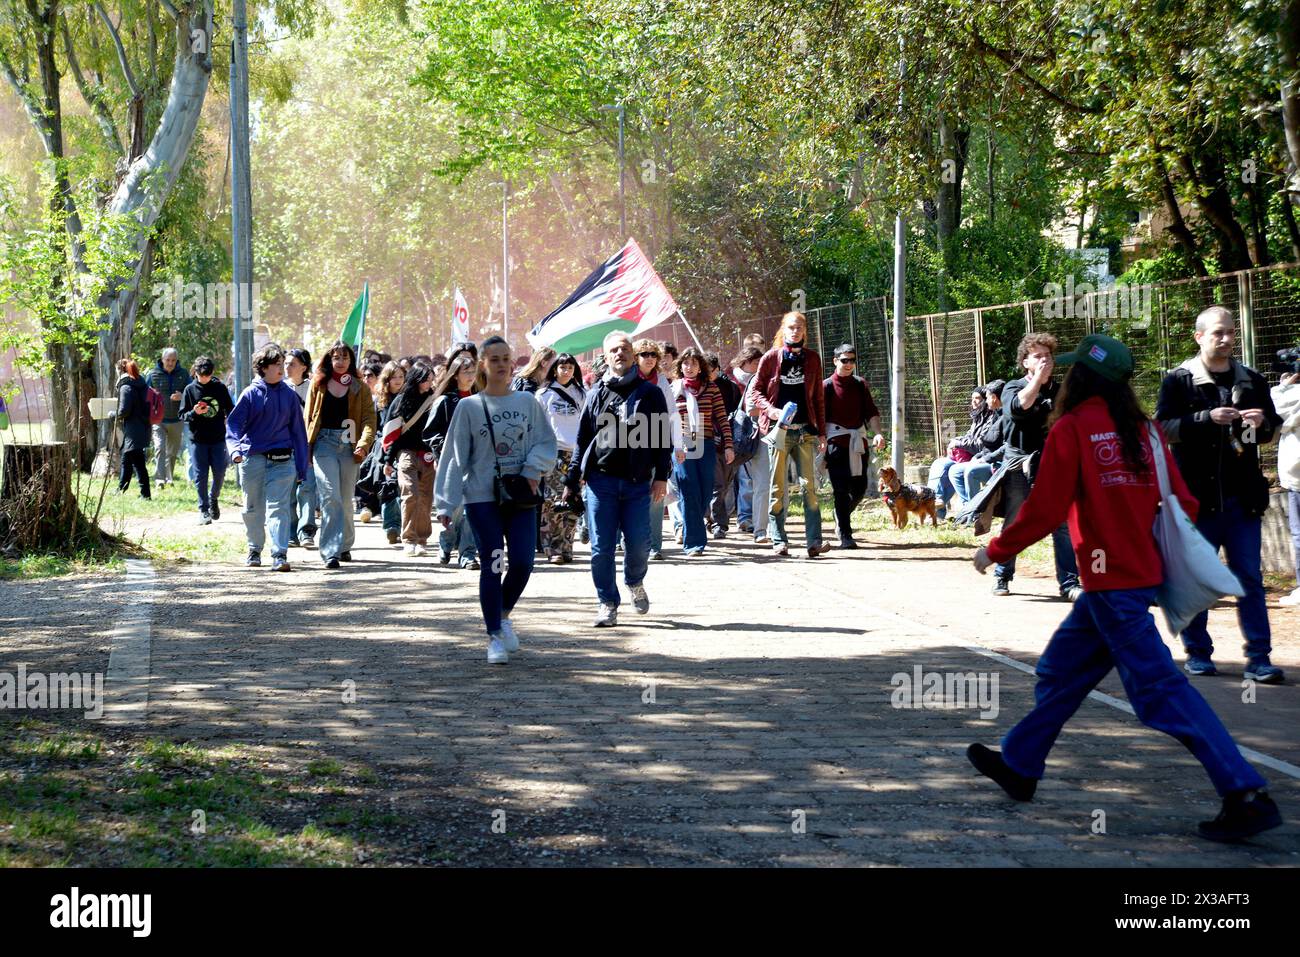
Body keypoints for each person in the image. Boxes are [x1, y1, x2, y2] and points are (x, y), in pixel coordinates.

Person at [968, 333, 1282, 843]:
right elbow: (1187, 504)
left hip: (1111, 587)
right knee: (1060, 673)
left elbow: (1045, 509)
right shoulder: (1147, 432)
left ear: (1081, 378)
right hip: (1128, 580)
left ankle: (1245, 791)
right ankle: (1021, 764)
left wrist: (995, 550)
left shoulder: (1071, 428)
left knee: (1162, 693)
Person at [1155, 305, 1284, 682]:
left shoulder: (1252, 380)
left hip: (1243, 499)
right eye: (1217, 333)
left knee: (1249, 578)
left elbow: (1270, 430)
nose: (1226, 339)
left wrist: (1262, 424)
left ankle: (1260, 658)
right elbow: (1162, 429)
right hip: (1197, 500)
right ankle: (1198, 653)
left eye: (1230, 332)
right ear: (1199, 337)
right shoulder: (1179, 380)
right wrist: (1203, 419)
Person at [434, 336, 558, 664]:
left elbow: (546, 442)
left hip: (520, 495)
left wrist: (533, 469)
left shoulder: (528, 403)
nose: (502, 364)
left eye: (506, 358)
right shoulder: (468, 407)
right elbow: (453, 456)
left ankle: (502, 614)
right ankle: (494, 636)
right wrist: (446, 503)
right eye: (494, 359)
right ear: (483, 366)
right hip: (481, 497)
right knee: (493, 561)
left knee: (522, 562)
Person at [564, 331, 672, 626]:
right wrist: (572, 478)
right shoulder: (596, 393)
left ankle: (634, 581)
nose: (619, 353)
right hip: (602, 482)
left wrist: (661, 476)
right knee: (601, 547)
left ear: (632, 354)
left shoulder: (650, 394)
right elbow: (583, 437)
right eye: (613, 349)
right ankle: (607, 602)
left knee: (639, 544)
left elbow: (663, 438)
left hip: (638, 483)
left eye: (624, 348)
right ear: (606, 355)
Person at [990, 333, 1082, 600]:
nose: (1045, 360)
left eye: (1048, 356)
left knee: (1062, 524)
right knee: (1016, 522)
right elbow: (1020, 407)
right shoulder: (1012, 387)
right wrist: (1038, 383)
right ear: (1026, 362)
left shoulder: (1062, 390)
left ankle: (1069, 583)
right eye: (1038, 356)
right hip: (1019, 464)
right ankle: (1002, 575)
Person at [747, 310, 829, 558]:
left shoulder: (813, 359)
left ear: (804, 331)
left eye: (799, 328)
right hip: (778, 431)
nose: (795, 332)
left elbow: (818, 398)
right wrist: (771, 410)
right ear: (784, 330)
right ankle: (779, 540)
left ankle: (814, 542)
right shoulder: (771, 358)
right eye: (791, 327)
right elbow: (756, 391)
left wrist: (822, 432)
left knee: (809, 487)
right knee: (777, 488)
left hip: (805, 431)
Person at [225, 344, 310, 571]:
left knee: (279, 507)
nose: (282, 368)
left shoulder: (290, 396)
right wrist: (235, 451)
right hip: (252, 459)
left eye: (283, 364)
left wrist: (302, 466)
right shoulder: (250, 394)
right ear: (262, 368)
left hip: (283, 461)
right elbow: (233, 425)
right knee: (252, 508)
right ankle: (254, 549)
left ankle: (279, 554)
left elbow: (299, 433)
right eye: (276, 364)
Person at [304, 342, 378, 570]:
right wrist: (306, 449)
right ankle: (330, 552)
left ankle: (345, 544)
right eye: (336, 357)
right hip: (323, 445)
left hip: (349, 447)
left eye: (345, 357)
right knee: (330, 496)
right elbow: (308, 418)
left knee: (345, 499)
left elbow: (368, 420)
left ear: (351, 361)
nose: (340, 361)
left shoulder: (360, 388)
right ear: (329, 360)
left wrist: (364, 445)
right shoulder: (318, 384)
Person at [672, 347, 733, 555]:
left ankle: (692, 528)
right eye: (685, 364)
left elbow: (722, 418)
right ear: (680, 367)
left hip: (706, 444)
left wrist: (728, 445)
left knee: (705, 492)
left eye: (694, 364)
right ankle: (694, 543)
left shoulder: (712, 388)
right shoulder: (674, 389)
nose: (689, 367)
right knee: (689, 491)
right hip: (682, 446)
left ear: (700, 367)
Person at [823, 343, 885, 548]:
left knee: (859, 488)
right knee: (840, 489)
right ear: (835, 361)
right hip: (835, 443)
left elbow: (871, 412)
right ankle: (845, 534)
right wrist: (820, 443)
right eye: (844, 360)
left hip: (858, 442)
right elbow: (819, 417)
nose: (849, 364)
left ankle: (840, 516)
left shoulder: (860, 384)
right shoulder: (826, 386)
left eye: (852, 360)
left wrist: (877, 434)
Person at [426, 349, 481, 569]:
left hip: (477, 463)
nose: (470, 376)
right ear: (455, 374)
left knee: (472, 509)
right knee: (454, 507)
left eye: (473, 371)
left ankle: (467, 553)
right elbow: (430, 433)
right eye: (465, 371)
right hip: (451, 463)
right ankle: (447, 540)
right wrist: (445, 452)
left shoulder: (482, 400)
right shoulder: (444, 401)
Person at [632, 339, 686, 560]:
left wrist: (679, 445)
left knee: (656, 496)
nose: (649, 358)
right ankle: (626, 540)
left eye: (653, 354)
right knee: (630, 495)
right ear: (635, 356)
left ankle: (654, 546)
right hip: (630, 445)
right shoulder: (628, 378)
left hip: (656, 443)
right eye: (644, 354)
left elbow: (672, 414)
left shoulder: (661, 381)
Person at [379, 363, 438, 556]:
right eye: (425, 378)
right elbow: (392, 432)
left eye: (431, 378)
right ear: (416, 379)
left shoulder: (435, 399)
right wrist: (387, 460)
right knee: (410, 494)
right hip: (405, 453)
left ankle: (422, 539)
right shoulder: (401, 400)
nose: (429, 382)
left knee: (426, 498)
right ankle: (409, 538)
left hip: (428, 454)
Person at [536, 353, 587, 563]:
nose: (566, 371)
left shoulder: (582, 394)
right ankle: (553, 548)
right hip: (554, 452)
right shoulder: (543, 394)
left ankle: (567, 546)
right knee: (553, 501)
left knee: (573, 501)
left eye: (570, 367)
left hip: (577, 454)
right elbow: (537, 426)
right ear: (554, 369)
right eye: (562, 367)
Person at [178, 356, 234, 525]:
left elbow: (230, 409)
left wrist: (230, 422)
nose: (204, 379)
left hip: (217, 438)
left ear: (212, 373)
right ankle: (203, 509)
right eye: (201, 376)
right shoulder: (189, 390)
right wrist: (194, 412)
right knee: (200, 475)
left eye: (207, 376)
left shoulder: (220, 388)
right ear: (195, 372)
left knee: (220, 472)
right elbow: (182, 415)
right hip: (197, 439)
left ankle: (213, 498)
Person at [928, 386, 994, 519]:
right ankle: (935, 507)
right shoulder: (978, 417)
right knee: (939, 464)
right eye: (972, 399)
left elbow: (981, 444)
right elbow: (970, 436)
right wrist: (955, 441)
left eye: (977, 398)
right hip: (967, 455)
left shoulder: (991, 417)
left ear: (985, 400)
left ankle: (968, 510)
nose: (974, 401)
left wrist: (958, 443)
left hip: (978, 457)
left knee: (953, 470)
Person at [949, 379, 1006, 505]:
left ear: (994, 398)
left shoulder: (1006, 417)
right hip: (987, 457)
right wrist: (978, 456)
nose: (985, 401)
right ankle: (967, 508)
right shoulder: (995, 415)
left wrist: (985, 458)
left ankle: (975, 510)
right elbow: (988, 444)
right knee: (954, 471)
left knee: (971, 471)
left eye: (986, 397)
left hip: (1001, 463)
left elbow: (1004, 448)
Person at [706, 353, 743, 538]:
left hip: (727, 442)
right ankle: (718, 523)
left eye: (709, 370)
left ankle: (711, 517)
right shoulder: (697, 388)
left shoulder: (730, 387)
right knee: (716, 485)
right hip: (705, 443)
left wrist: (730, 442)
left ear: (717, 369)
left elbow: (736, 416)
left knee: (725, 484)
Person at [369, 361, 407, 539]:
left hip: (405, 449)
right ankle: (391, 526)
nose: (398, 380)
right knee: (388, 486)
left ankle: (403, 525)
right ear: (387, 379)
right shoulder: (379, 401)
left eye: (401, 376)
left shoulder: (410, 398)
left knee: (404, 488)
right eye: (394, 377)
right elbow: (374, 426)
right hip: (385, 450)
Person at [285, 349, 318, 548]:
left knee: (307, 488)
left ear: (303, 367)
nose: (287, 367)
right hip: (286, 446)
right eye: (286, 363)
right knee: (288, 490)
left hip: (307, 446)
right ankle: (290, 531)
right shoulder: (280, 388)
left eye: (292, 364)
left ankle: (306, 530)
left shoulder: (314, 388)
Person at [729, 346, 764, 536]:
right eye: (756, 362)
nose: (760, 366)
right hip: (739, 433)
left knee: (748, 477)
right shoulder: (731, 379)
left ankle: (746, 517)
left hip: (756, 432)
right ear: (746, 362)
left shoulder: (762, 379)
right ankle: (736, 517)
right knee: (738, 478)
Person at [145, 347, 192, 488]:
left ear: (176, 361)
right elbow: (144, 395)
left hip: (177, 419)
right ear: (162, 359)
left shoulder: (184, 374)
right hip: (158, 419)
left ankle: (169, 478)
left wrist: (182, 396)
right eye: (168, 360)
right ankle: (159, 480)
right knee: (160, 448)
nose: (170, 363)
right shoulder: (152, 374)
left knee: (172, 452)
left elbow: (193, 393)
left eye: (173, 360)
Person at [1272, 370, 1300, 606]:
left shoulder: (1292, 395)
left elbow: (1271, 410)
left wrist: (1285, 386)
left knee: (1299, 534)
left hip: (1297, 477)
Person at [112, 358, 152, 499]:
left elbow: (124, 411)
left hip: (134, 430)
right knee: (129, 460)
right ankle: (122, 489)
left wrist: (113, 414)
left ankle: (145, 494)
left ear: (120, 370)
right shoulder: (142, 384)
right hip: (143, 427)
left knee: (136, 462)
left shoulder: (126, 387)